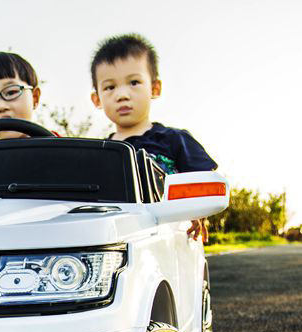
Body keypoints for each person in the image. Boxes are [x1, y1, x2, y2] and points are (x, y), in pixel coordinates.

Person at [89, 33, 217, 242]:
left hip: (172, 240)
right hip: (115, 243)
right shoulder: (97, 154)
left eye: (134, 82)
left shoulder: (175, 140)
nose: (122, 95)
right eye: (110, 87)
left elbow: (203, 184)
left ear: (155, 88)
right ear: (97, 99)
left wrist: (197, 212)